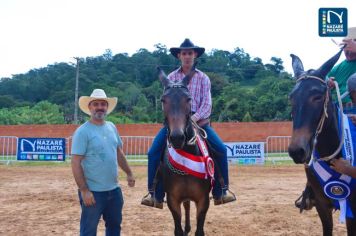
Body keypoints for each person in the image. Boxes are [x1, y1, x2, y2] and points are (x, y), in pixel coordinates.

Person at [141, 38, 236, 209]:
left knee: (220, 149)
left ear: (195, 55)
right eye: (184, 53)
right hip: (174, 124)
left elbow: (207, 105)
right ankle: (154, 193)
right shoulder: (170, 78)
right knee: (153, 152)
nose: (187, 56)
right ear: (179, 55)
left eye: (190, 53)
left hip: (200, 123)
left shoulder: (203, 78)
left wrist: (192, 119)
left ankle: (221, 191)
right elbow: (168, 103)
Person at [296, 27, 356, 210]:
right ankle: (311, 189)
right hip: (339, 112)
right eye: (343, 47)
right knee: (316, 143)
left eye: (349, 45)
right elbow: (324, 85)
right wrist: (327, 83)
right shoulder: (339, 67)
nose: (345, 50)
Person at [71, 88, 135, 236]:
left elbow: (119, 153)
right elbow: (75, 163)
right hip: (93, 193)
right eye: (96, 104)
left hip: (114, 190)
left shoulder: (112, 127)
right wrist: (84, 190)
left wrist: (129, 173)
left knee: (114, 228)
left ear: (107, 108)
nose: (100, 107)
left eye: (103, 104)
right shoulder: (82, 132)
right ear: (90, 107)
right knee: (89, 231)